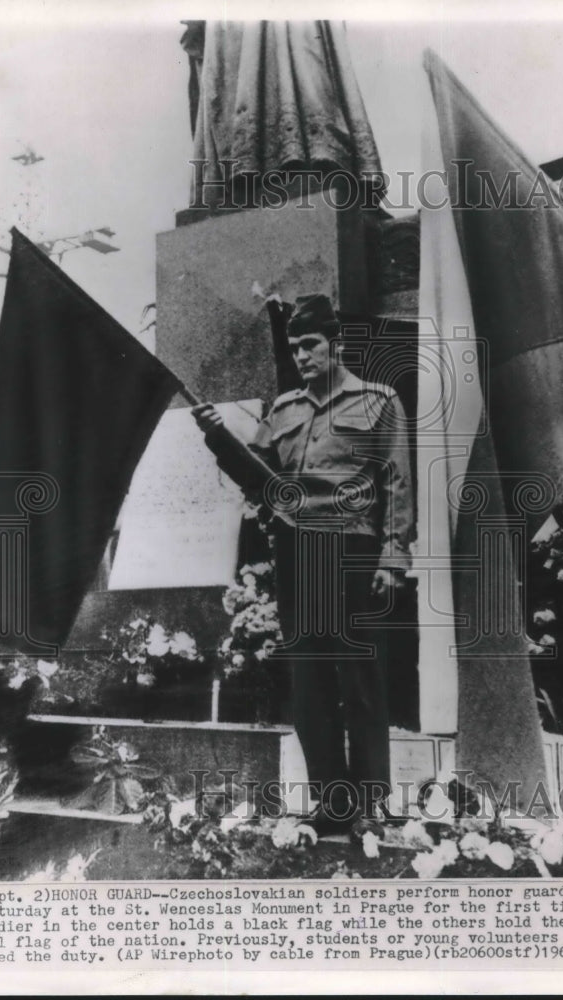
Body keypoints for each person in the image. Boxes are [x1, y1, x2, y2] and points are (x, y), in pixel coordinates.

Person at [193, 294, 414, 833]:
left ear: (335, 343)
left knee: (360, 677)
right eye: (294, 347)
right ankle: (331, 802)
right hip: (297, 552)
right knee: (309, 679)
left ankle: (369, 804)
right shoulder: (284, 410)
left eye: (310, 344)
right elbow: (259, 477)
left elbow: (397, 482)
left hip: (353, 550)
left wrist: (392, 556)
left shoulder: (377, 401)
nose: (301, 356)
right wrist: (218, 435)